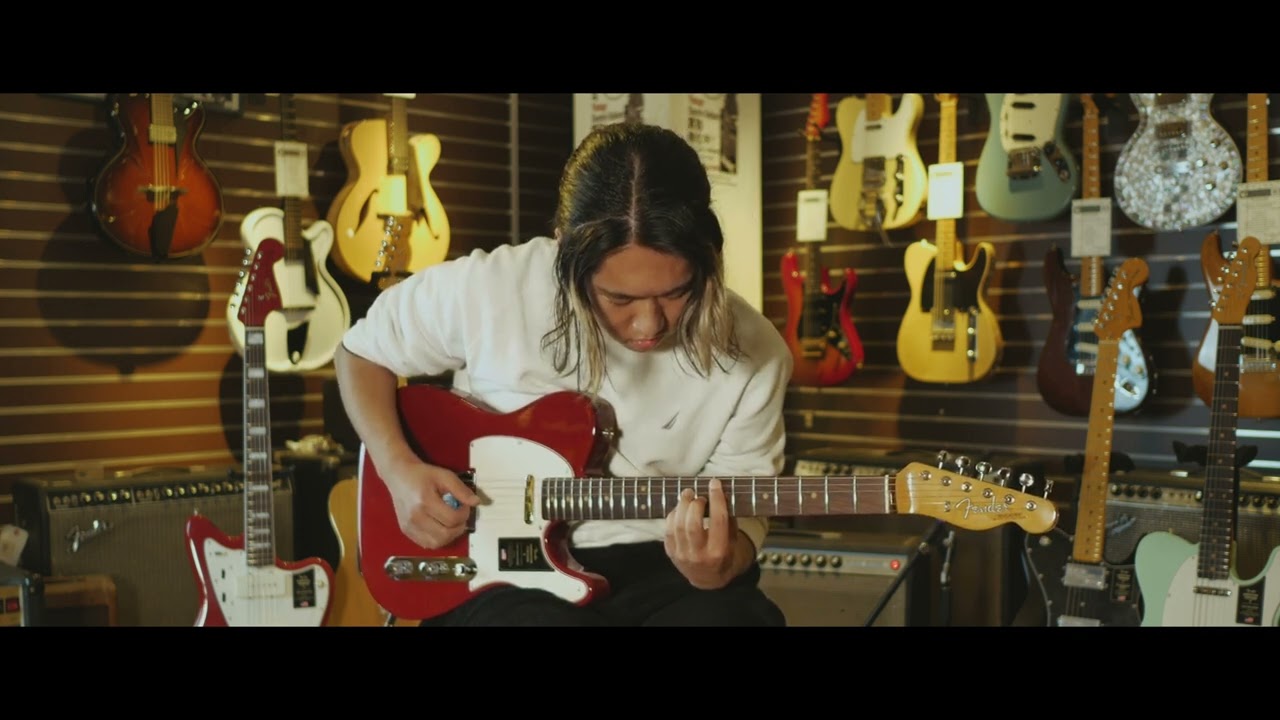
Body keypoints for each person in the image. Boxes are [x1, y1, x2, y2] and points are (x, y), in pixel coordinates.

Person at [333, 122, 793, 626]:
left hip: (665, 569)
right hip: (495, 570)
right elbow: (360, 354)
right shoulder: (491, 287)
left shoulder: (756, 349)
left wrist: (720, 564)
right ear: (563, 250)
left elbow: (746, 507)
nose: (648, 324)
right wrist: (398, 470)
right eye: (618, 298)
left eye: (677, 292)